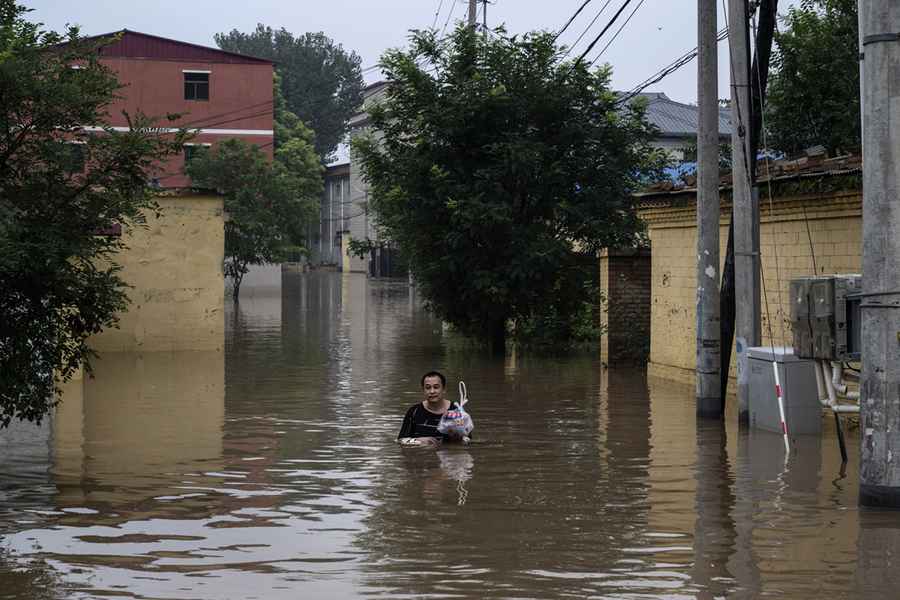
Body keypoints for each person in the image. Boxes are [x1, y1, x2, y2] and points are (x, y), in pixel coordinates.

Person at [397, 371, 468, 446]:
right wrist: (418, 441)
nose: (432, 391)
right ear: (423, 390)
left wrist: (458, 437)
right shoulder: (414, 411)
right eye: (428, 388)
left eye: (436, 387)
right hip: (421, 455)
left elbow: (468, 440)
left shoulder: (456, 410)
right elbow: (400, 440)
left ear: (444, 389)